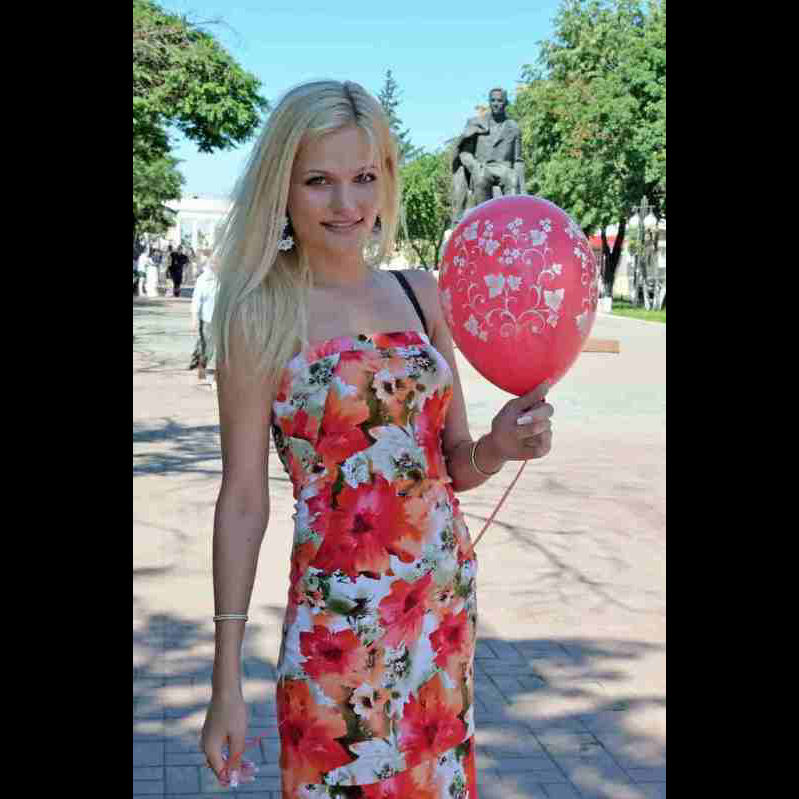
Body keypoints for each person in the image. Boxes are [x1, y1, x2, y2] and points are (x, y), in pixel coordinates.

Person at [199, 79, 554, 796]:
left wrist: (500, 444)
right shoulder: (257, 313)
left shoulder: (421, 294)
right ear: (282, 187)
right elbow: (242, 500)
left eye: (364, 177)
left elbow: (454, 464)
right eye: (319, 181)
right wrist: (224, 680)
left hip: (440, 612)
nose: (346, 204)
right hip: (338, 623)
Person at [451, 87, 526, 221]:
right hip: (483, 167)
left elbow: (518, 161)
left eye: (500, 101)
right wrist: (475, 166)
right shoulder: (477, 124)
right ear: (489, 102)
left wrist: (524, 191)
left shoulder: (513, 128)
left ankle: (512, 220)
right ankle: (484, 219)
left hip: (504, 169)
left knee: (513, 179)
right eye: (493, 100)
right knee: (480, 177)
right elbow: (465, 153)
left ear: (506, 103)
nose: (496, 104)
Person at [189, 254, 218, 384]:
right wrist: (194, 318)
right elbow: (196, 301)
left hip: (220, 320)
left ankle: (216, 376)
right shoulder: (203, 280)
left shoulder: (224, 279)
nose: (216, 265)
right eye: (213, 263)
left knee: (219, 348)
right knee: (206, 348)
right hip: (206, 319)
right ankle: (202, 368)